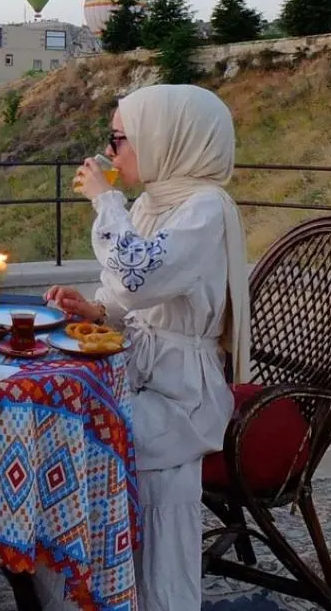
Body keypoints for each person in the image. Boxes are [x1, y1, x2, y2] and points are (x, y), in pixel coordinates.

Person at [37, 84, 251, 611]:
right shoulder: (160, 204)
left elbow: (137, 279)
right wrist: (93, 311)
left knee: (75, 440)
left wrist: (106, 201)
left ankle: (121, 589)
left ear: (165, 138)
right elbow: (126, 299)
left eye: (119, 138)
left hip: (184, 397)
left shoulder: (203, 210)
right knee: (55, 428)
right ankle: (88, 584)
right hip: (144, 376)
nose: (111, 152)